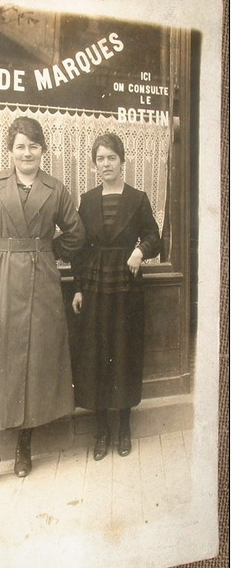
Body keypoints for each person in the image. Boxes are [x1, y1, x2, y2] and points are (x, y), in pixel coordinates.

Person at [0, 116, 85, 494]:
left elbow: (77, 234)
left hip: (40, 284)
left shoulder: (56, 189)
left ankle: (23, 448)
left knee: (33, 361)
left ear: (42, 150)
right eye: (19, 146)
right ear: (10, 151)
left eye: (33, 145)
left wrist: (47, 252)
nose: (26, 152)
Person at [71, 132, 161, 461]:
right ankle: (101, 430)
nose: (106, 164)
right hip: (95, 285)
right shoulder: (87, 199)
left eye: (112, 157)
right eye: (100, 159)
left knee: (123, 352)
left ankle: (124, 426)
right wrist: (79, 286)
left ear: (122, 161)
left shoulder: (137, 198)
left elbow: (154, 236)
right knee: (97, 354)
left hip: (126, 285)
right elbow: (79, 249)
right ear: (94, 164)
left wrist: (140, 250)